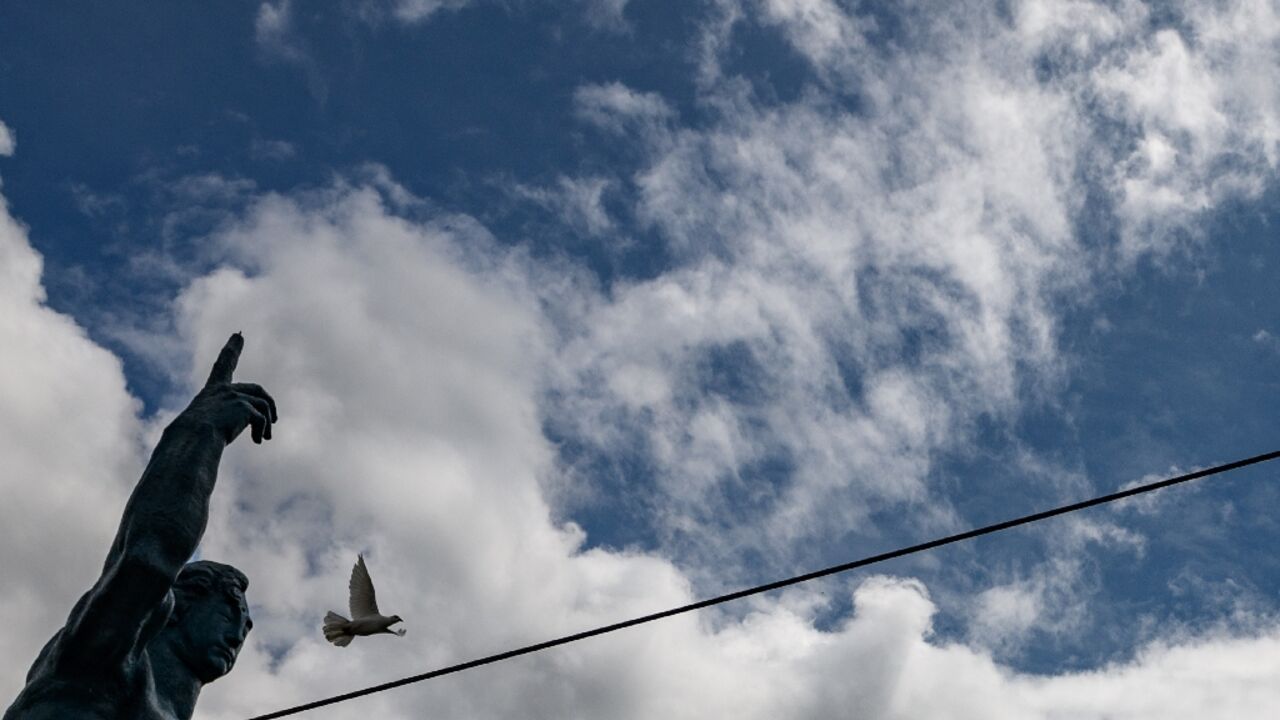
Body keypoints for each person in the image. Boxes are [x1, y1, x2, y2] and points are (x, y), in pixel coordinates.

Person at [4, 334, 277, 720]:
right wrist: (202, 432)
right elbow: (146, 561)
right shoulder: (107, 659)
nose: (236, 636)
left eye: (245, 628)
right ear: (178, 607)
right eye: (229, 613)